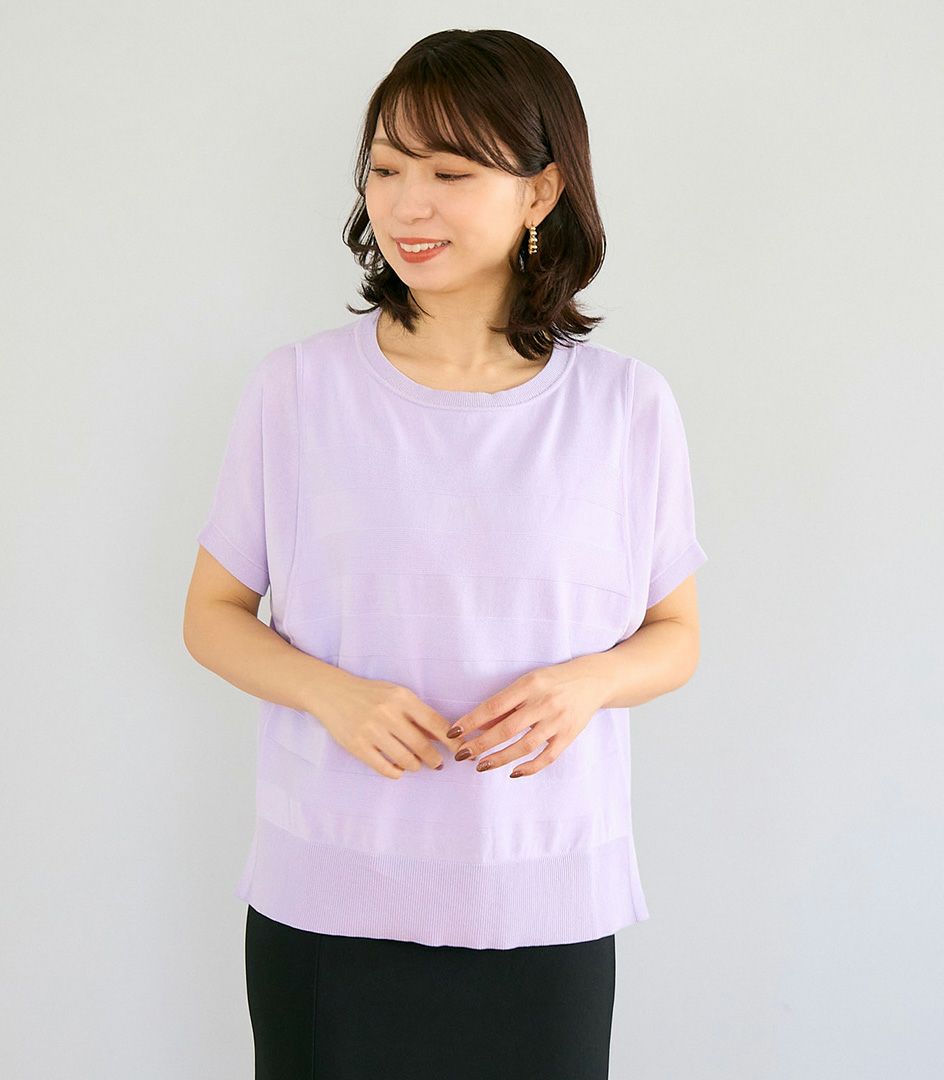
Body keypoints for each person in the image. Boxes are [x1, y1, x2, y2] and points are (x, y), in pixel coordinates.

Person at [183, 27, 708, 1080]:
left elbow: (675, 634)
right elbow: (212, 615)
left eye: (450, 173)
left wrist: (585, 685)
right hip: (330, 891)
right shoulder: (299, 389)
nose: (407, 205)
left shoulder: (624, 406)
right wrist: (332, 694)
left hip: (540, 893)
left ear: (541, 191)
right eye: (385, 169)